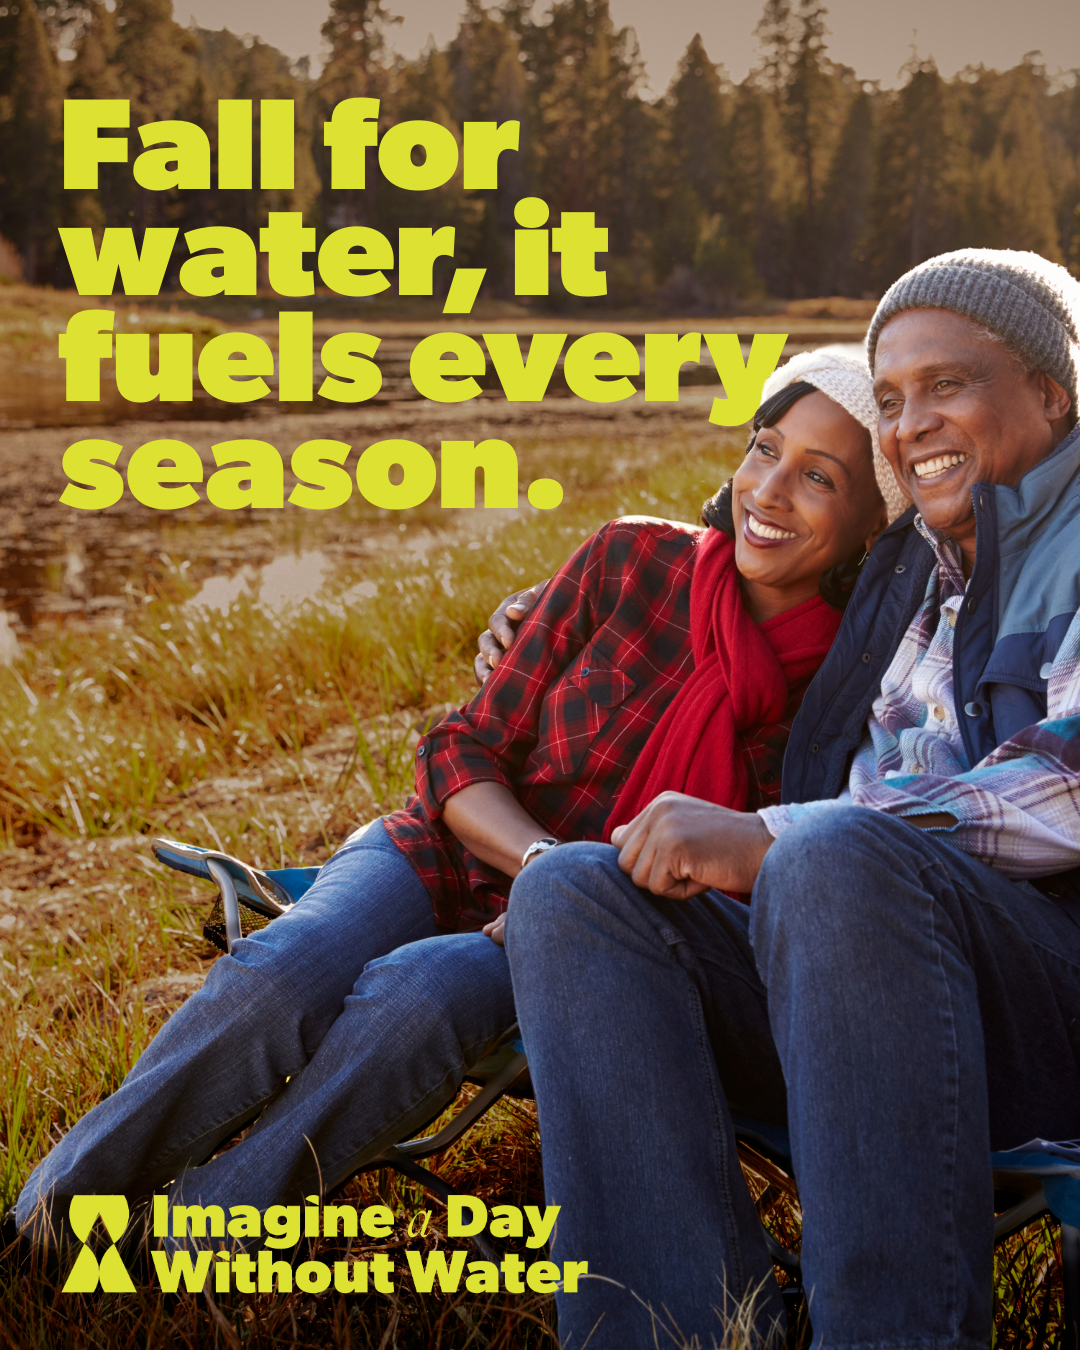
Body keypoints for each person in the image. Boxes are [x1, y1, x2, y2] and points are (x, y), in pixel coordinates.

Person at [14, 347, 891, 1254]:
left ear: (876, 520)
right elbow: (462, 747)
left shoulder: (844, 700)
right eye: (763, 449)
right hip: (452, 845)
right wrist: (546, 865)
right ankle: (45, 1218)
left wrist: (576, 907)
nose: (770, 491)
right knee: (278, 977)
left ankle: (196, 1234)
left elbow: (751, 893)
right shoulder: (634, 558)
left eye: (818, 477)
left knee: (415, 1001)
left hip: (585, 944)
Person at [501, 248, 1080, 1347]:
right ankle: (679, 1331)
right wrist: (550, 608)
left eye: (946, 385)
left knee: (831, 856)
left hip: (1049, 1002)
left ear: (1052, 391)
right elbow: (765, 525)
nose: (910, 425)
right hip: (864, 996)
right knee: (577, 892)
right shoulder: (916, 562)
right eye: (895, 401)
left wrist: (780, 837)